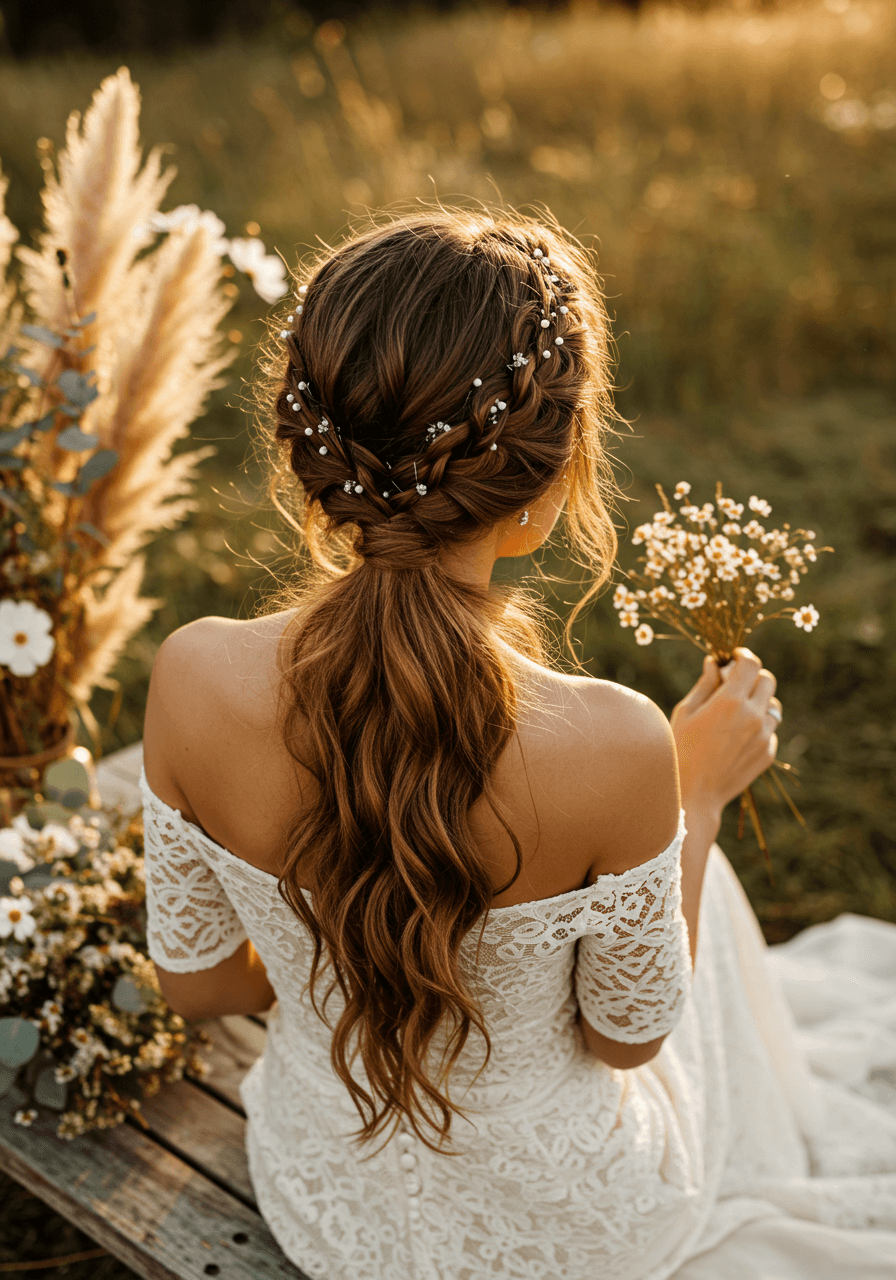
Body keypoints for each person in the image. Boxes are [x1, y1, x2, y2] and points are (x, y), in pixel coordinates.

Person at [139, 210, 896, 1280]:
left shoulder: (189, 674)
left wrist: (343, 945)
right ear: (544, 492)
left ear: (310, 458)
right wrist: (696, 800)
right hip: (572, 1232)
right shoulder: (617, 745)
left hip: (326, 1203)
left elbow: (201, 985)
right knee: (700, 863)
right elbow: (624, 1040)